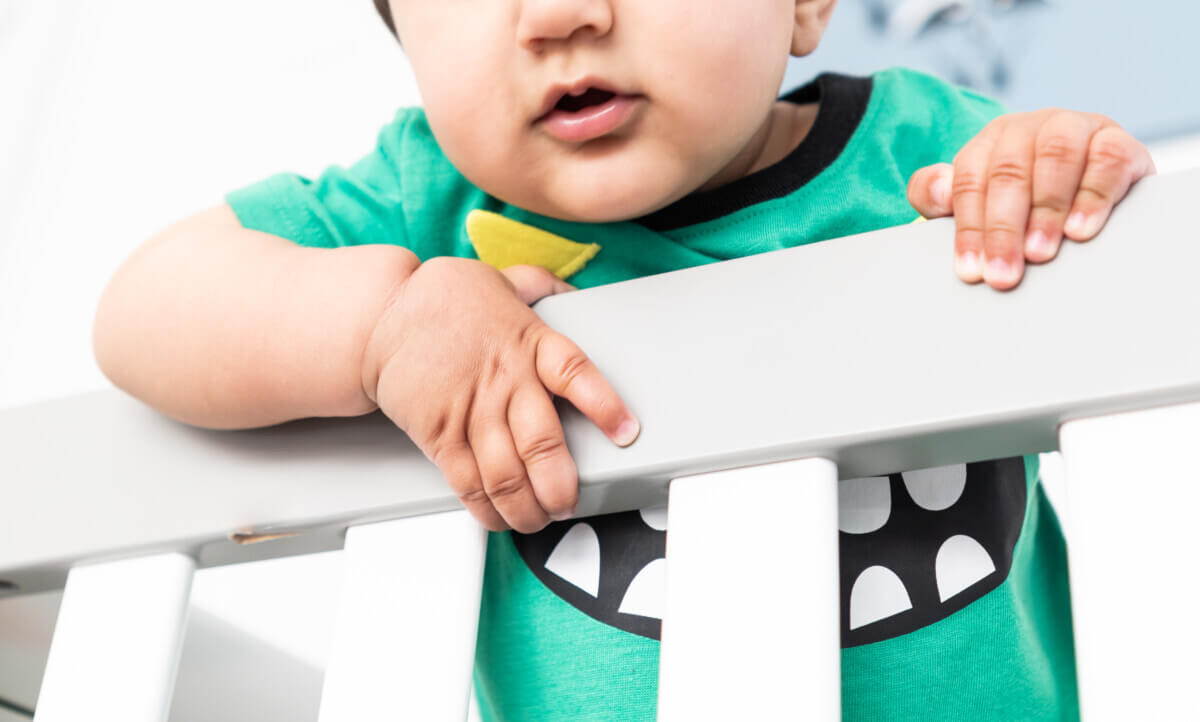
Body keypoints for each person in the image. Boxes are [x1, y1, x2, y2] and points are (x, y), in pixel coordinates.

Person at [92, 0, 1155, 718]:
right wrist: (379, 325)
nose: (560, 16)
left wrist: (1051, 174)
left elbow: (1101, 243)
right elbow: (145, 306)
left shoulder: (926, 154)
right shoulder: (429, 206)